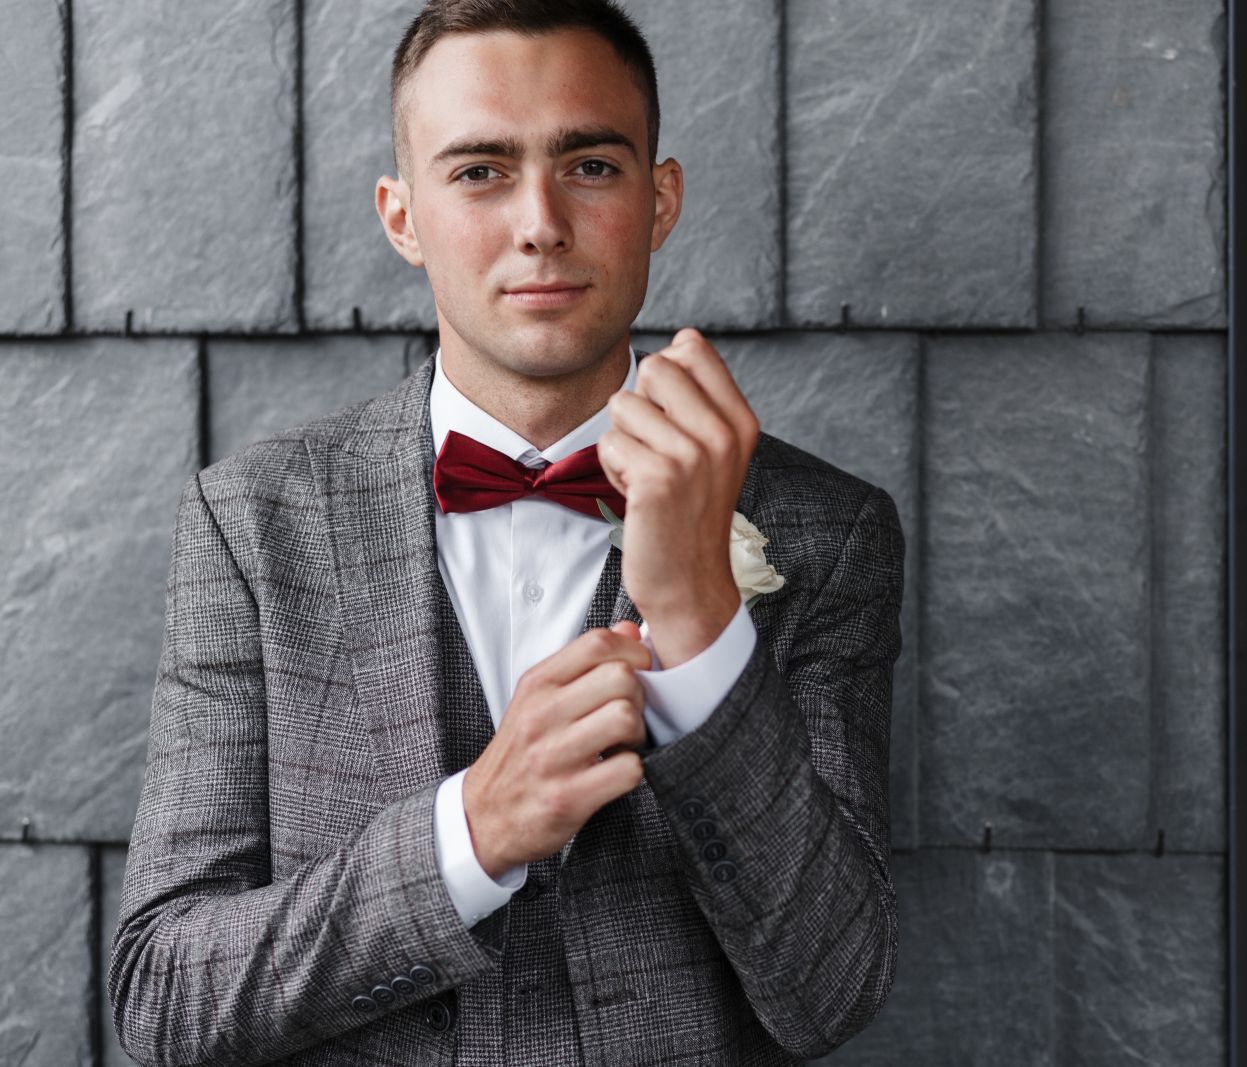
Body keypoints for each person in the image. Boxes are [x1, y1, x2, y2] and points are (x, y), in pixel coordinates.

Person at [106, 1, 904, 1064]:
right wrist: (468, 836)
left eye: (591, 166)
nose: (540, 223)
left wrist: (702, 624)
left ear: (659, 200)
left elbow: (833, 991)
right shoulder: (250, 525)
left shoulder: (831, 531)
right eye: (480, 171)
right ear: (402, 217)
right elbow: (164, 993)